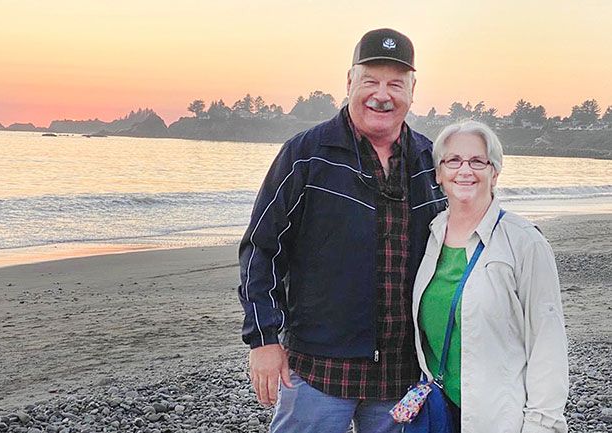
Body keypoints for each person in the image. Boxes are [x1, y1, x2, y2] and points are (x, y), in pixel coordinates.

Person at [238, 28, 447, 433]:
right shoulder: (307, 154)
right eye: (370, 80)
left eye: (395, 83)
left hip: (401, 372)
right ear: (349, 82)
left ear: (412, 90)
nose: (381, 94)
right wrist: (263, 339)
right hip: (319, 367)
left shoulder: (430, 160)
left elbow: (457, 247)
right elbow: (261, 250)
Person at [412, 120, 569, 432]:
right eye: (453, 160)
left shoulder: (524, 242)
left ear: (494, 173)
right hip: (439, 414)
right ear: (439, 174)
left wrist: (542, 424)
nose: (465, 170)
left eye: (478, 161)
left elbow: (548, 344)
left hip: (499, 419)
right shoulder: (429, 236)